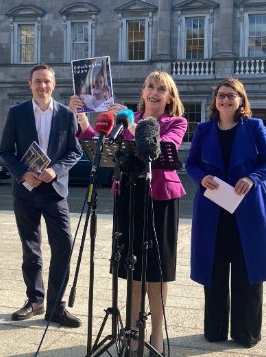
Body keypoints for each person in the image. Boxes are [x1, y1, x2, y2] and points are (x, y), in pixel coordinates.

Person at [70, 71, 187, 356]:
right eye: (150, 86)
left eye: (161, 89)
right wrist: (82, 117)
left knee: (156, 273)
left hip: (160, 199)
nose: (154, 92)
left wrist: (132, 122)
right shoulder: (125, 117)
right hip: (128, 198)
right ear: (143, 90)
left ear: (169, 97)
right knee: (131, 269)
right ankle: (133, 337)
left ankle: (156, 338)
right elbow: (99, 144)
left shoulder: (175, 121)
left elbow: (159, 148)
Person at [185, 77, 266, 347]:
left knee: (247, 272)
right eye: (221, 95)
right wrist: (201, 178)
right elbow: (191, 163)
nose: (225, 100)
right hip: (213, 210)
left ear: (241, 100)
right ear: (215, 101)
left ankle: (246, 332)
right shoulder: (204, 130)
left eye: (231, 95)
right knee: (215, 272)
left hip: (247, 209)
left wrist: (252, 177)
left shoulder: (254, 127)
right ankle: (214, 331)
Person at [0, 64, 83, 327]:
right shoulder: (17, 113)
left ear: (54, 85)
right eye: (37, 81)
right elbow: (5, 151)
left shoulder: (66, 115)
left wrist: (56, 170)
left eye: (47, 81)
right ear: (30, 84)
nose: (42, 86)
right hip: (26, 191)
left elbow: (74, 151)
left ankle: (56, 306)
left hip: (54, 192)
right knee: (31, 249)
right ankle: (35, 301)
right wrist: (24, 173)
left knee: (63, 247)